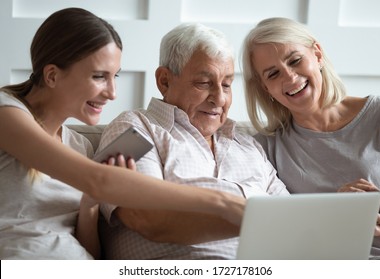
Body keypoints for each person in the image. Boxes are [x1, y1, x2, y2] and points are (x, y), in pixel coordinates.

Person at [0, 8, 246, 260]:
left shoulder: (80, 146)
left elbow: (91, 250)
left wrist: (89, 205)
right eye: (99, 77)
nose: (112, 93)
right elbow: (99, 179)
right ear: (52, 75)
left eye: (114, 76)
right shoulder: (6, 113)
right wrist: (222, 203)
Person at [97, 22, 289, 260]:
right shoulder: (132, 129)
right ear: (164, 81)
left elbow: (293, 221)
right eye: (204, 83)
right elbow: (145, 217)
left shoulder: (248, 146)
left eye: (227, 84)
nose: (219, 98)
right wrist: (256, 219)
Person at [241, 17, 380, 259]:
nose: (289, 78)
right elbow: (271, 232)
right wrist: (333, 211)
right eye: (273, 74)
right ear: (264, 87)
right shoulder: (264, 148)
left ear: (317, 54)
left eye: (295, 60)